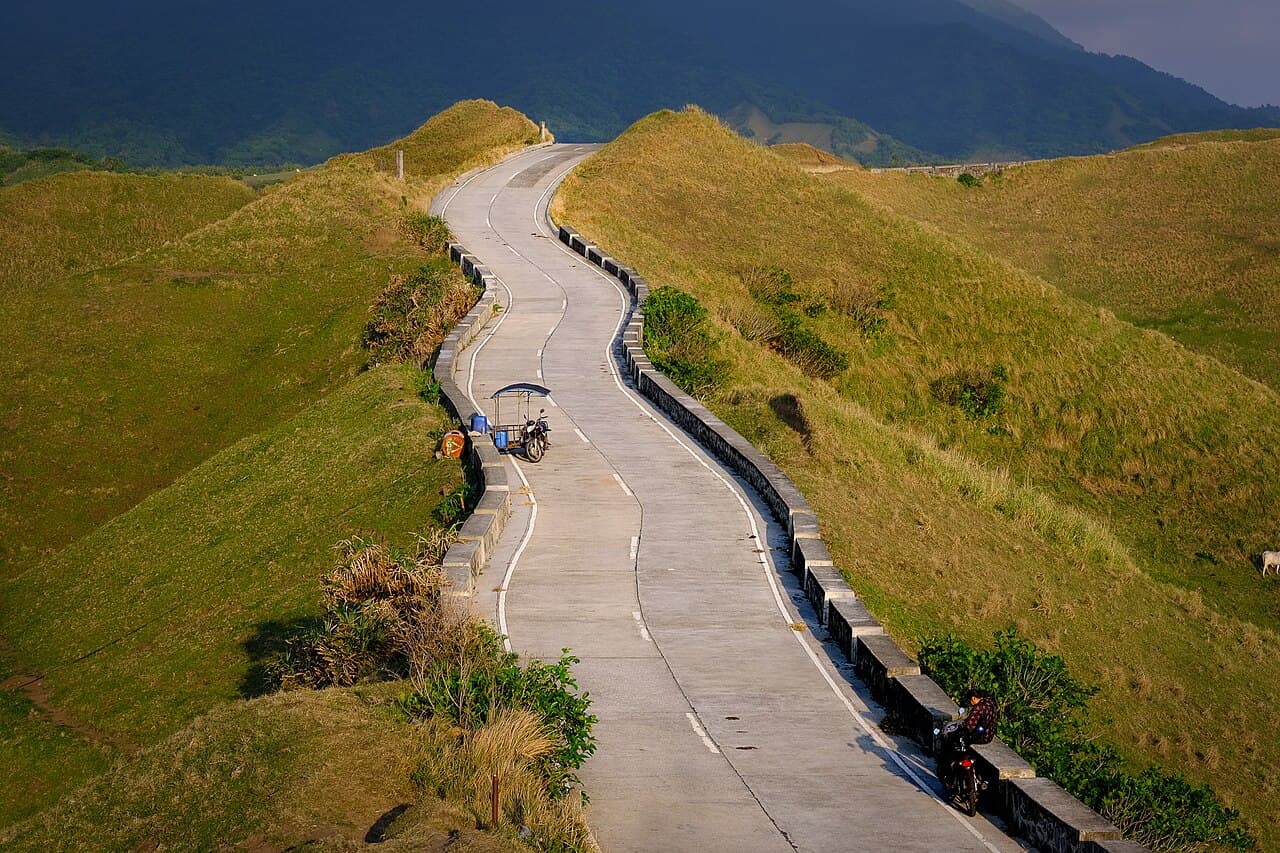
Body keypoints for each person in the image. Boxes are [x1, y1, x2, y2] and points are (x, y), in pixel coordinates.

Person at [940, 688, 999, 781]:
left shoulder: (978, 708)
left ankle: (948, 771)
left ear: (974, 698)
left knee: (954, 743)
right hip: (989, 736)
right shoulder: (991, 704)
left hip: (979, 737)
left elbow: (969, 726)